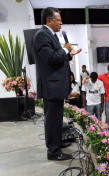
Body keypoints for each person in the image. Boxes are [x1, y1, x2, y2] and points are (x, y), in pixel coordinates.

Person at [33, 7, 82, 161]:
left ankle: (56, 143)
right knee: (52, 119)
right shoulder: (42, 35)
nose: (61, 23)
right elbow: (50, 59)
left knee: (56, 119)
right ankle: (53, 151)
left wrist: (69, 54)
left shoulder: (50, 35)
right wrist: (65, 50)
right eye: (58, 20)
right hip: (51, 86)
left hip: (55, 86)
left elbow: (57, 58)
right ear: (49, 19)